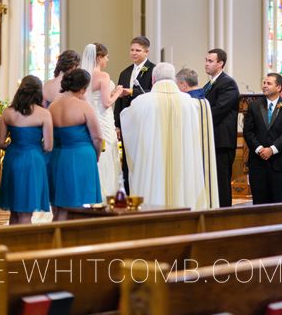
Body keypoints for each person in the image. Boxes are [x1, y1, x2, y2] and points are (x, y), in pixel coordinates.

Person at [120, 63, 219, 209]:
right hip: (183, 164)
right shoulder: (190, 103)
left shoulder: (142, 102)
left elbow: (127, 121)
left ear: (153, 79)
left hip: (154, 164)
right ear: (173, 79)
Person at [0, 75, 52, 225]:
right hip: (34, 160)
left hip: (13, 158)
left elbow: (0, 143)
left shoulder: (7, 112)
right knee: (26, 213)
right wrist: (33, 148)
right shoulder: (44, 113)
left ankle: (11, 247)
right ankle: (22, 248)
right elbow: (48, 146)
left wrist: (16, 146)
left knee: (14, 211)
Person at [48, 69, 104, 220]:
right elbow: (97, 137)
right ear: (82, 89)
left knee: (59, 203)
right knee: (82, 204)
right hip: (81, 157)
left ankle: (57, 237)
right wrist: (96, 155)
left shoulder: (52, 106)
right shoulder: (84, 107)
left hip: (57, 156)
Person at [80, 43, 124, 201]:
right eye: (106, 56)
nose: (107, 59)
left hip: (90, 117)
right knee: (107, 152)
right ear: (99, 57)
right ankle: (106, 194)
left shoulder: (83, 75)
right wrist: (117, 93)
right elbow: (106, 103)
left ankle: (91, 192)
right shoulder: (103, 76)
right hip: (103, 119)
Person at [242, 73, 282, 204]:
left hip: (281, 164)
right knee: (260, 205)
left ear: (279, 88)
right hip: (258, 164)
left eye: (269, 84)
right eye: (264, 83)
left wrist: (272, 149)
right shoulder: (254, 106)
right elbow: (248, 131)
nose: (264, 86)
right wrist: (259, 149)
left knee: (280, 204)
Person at [114, 36, 156, 194]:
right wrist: (117, 124)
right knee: (127, 158)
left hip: (145, 121)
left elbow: (154, 93)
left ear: (146, 52)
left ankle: (143, 193)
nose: (134, 53)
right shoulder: (125, 73)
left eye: (137, 50)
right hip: (127, 123)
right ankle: (127, 193)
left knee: (142, 159)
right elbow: (119, 100)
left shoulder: (154, 70)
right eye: (132, 50)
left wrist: (132, 91)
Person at [203, 49, 240, 208]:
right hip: (210, 139)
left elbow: (219, 109)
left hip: (221, 141)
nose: (206, 63)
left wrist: (200, 119)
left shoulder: (228, 83)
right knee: (210, 180)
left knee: (221, 181)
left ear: (220, 63)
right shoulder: (208, 85)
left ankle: (224, 214)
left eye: (210, 61)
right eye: (206, 60)